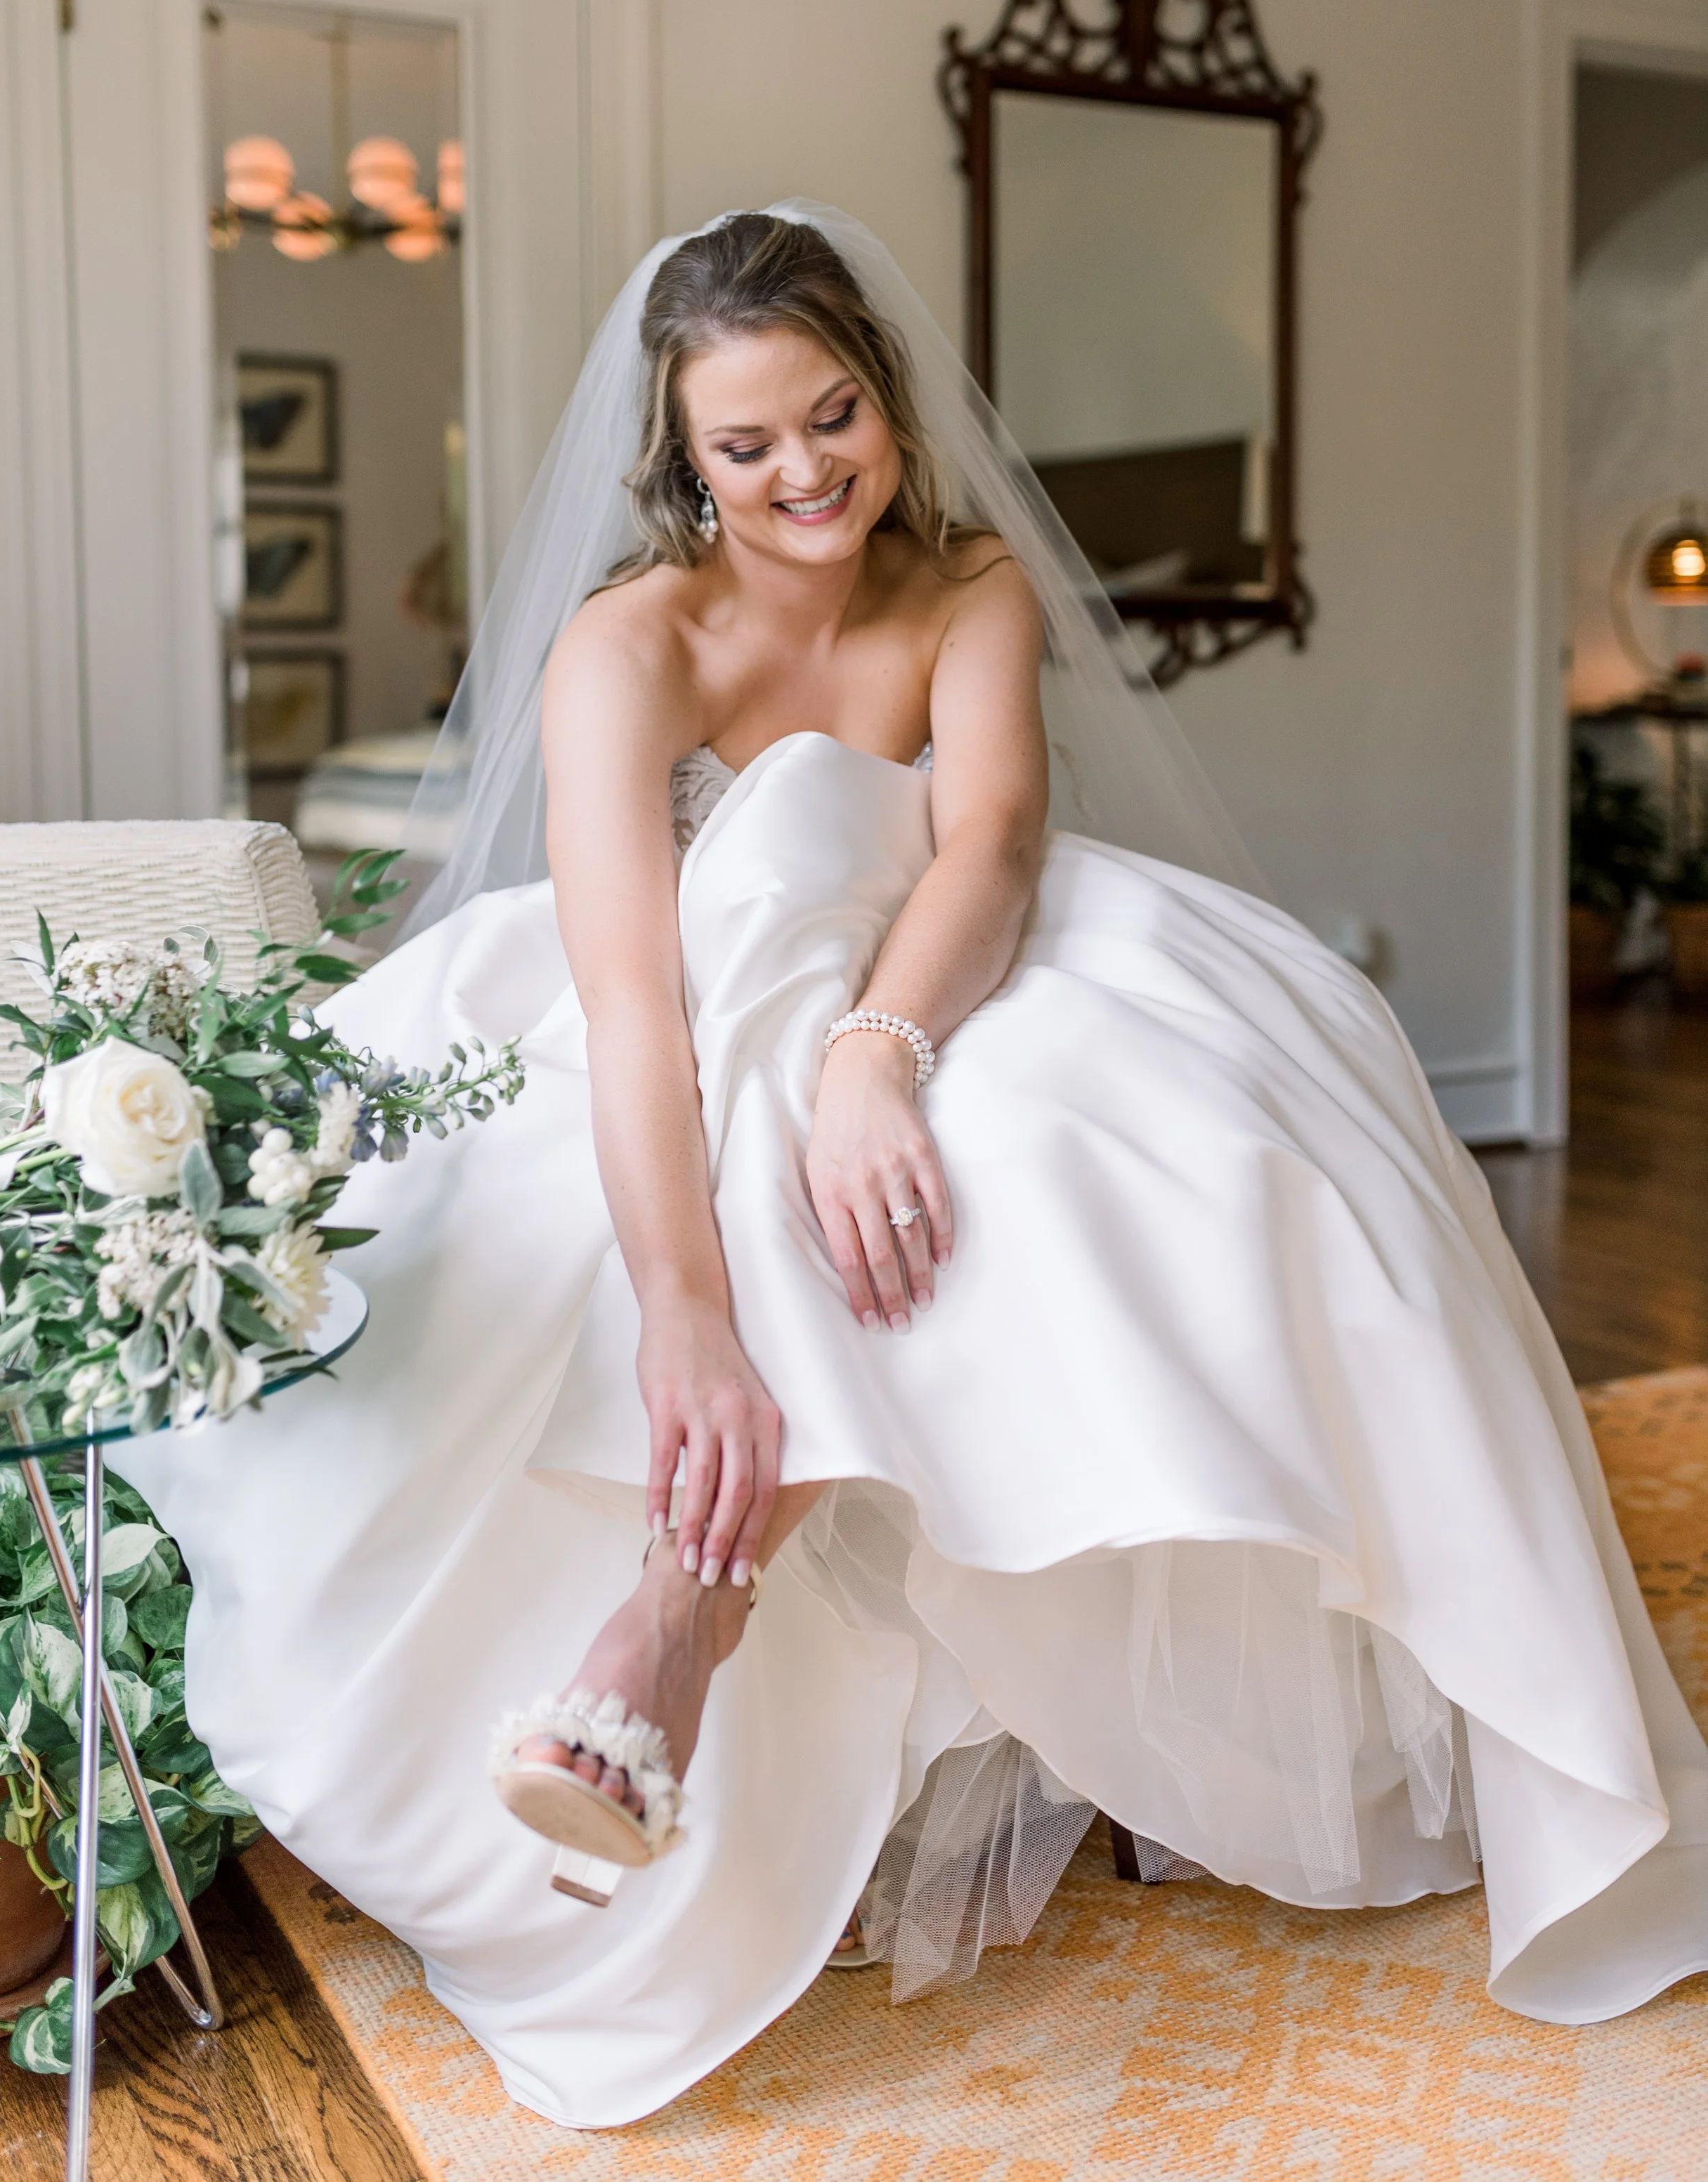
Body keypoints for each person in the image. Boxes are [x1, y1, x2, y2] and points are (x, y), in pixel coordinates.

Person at [118, 207, 1708, 2130]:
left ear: (882, 395)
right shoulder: (632, 645)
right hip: (692, 1000)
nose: (804, 474)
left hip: (947, 963)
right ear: (679, 468)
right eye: (746, 446)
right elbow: (639, 1005)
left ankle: (679, 1621)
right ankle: (686, 1616)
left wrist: (879, 1053)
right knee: (760, 1071)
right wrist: (686, 1318)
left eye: (833, 414)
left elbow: (987, 848)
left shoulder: (961, 586)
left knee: (1208, 1142)